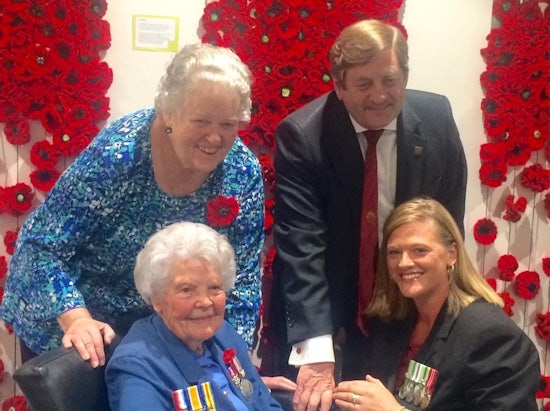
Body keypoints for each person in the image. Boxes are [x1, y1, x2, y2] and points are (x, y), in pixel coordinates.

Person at [0, 43, 265, 369]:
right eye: (201, 121)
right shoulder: (120, 154)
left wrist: (232, 365)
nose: (215, 137)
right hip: (79, 331)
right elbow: (40, 247)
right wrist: (76, 318)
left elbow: (242, 285)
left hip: (162, 340)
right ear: (168, 112)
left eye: (228, 124)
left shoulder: (241, 172)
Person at [269, 19, 467, 411]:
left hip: (404, 306)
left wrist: (438, 320)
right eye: (363, 84)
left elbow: (448, 225)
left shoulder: (437, 118)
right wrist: (317, 352)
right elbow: (301, 245)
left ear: (405, 76)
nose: (379, 96)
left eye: (389, 80)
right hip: (322, 311)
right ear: (339, 87)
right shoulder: (302, 136)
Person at [332, 197, 540, 411]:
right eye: (394, 252)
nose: (403, 262)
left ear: (452, 254)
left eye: (419, 250)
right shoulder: (393, 322)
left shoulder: (493, 336)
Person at [105, 221, 287, 410]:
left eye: (214, 288)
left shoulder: (223, 333)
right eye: (187, 290)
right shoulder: (137, 365)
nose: (206, 302)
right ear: (156, 299)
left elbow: (264, 402)